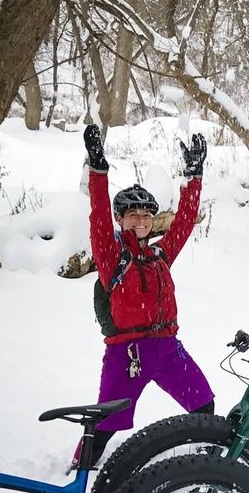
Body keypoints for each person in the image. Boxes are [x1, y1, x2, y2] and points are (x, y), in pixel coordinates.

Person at [76, 124, 215, 469]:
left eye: (146, 215)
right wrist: (98, 168)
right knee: (105, 425)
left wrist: (194, 176)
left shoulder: (159, 256)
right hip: (127, 353)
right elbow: (97, 217)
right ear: (121, 219)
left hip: (168, 348)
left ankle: (208, 468)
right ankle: (78, 474)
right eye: (133, 215)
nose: (140, 221)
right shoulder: (112, 257)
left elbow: (184, 222)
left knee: (204, 408)